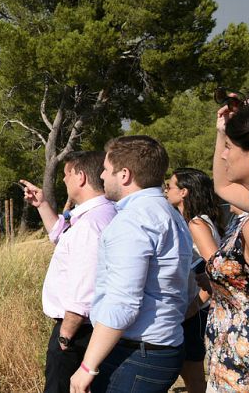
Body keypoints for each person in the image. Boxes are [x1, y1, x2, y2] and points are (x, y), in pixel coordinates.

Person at [69, 135, 193, 393]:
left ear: (124, 174)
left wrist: (87, 367)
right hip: (164, 346)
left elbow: (122, 303)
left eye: (105, 169)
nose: (101, 177)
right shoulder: (170, 214)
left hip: (139, 353)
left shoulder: (132, 222)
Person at [20, 151, 116, 393]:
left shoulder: (89, 224)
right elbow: (62, 237)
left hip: (77, 332)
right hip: (94, 328)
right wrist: (41, 204)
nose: (63, 180)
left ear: (80, 177)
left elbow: (84, 289)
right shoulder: (104, 212)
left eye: (67, 174)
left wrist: (64, 337)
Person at [204, 101, 249, 391]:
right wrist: (223, 131)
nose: (224, 153)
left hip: (245, 374)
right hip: (230, 366)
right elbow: (222, 186)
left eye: (231, 147)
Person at [164, 168, 222, 393]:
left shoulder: (196, 224)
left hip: (195, 310)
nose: (166, 190)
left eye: (170, 186)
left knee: (194, 377)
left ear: (184, 192)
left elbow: (215, 272)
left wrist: (194, 306)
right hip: (194, 309)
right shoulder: (195, 221)